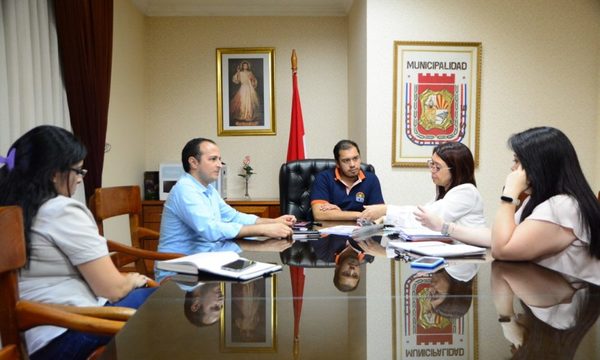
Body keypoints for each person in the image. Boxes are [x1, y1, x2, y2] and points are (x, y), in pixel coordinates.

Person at [0, 125, 154, 360]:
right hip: (68, 334)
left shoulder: (11, 209)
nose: (81, 180)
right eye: (78, 171)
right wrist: (131, 279)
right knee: (168, 298)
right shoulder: (61, 209)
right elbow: (111, 289)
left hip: (35, 340)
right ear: (54, 173)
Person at [156, 137, 295, 281]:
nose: (220, 165)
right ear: (193, 162)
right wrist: (262, 230)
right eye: (213, 159)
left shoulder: (208, 189)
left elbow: (233, 216)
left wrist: (271, 222)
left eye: (219, 159)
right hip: (179, 268)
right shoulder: (185, 189)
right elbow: (210, 230)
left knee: (257, 273)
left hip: (204, 261)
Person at [491, 127, 600, 282]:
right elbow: (499, 236)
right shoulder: (539, 199)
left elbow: (501, 249)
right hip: (552, 295)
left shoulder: (564, 205)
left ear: (538, 165)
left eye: (517, 161)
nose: (513, 168)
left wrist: (509, 194)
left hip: (585, 302)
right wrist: (448, 228)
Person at [360, 142, 490, 247]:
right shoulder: (446, 192)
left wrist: (386, 210)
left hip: (468, 261)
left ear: (456, 170)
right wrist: (385, 218)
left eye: (437, 167)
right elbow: (423, 213)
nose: (432, 171)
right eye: (431, 164)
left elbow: (424, 218)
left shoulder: (466, 192)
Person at [491, 261, 600, 358]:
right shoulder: (556, 318)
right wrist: (508, 326)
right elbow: (500, 270)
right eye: (516, 350)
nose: (513, 345)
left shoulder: (566, 323)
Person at [310, 140, 384, 221]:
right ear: (337, 163)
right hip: (330, 231)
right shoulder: (324, 178)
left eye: (355, 158)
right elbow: (319, 215)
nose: (352, 165)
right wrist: (359, 215)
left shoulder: (371, 179)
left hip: (361, 231)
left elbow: (379, 213)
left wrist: (339, 213)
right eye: (346, 160)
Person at [311, 236, 376, 292]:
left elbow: (319, 227)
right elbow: (378, 225)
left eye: (346, 273)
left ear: (337, 268)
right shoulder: (371, 251)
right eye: (355, 275)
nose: (352, 270)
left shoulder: (324, 253)